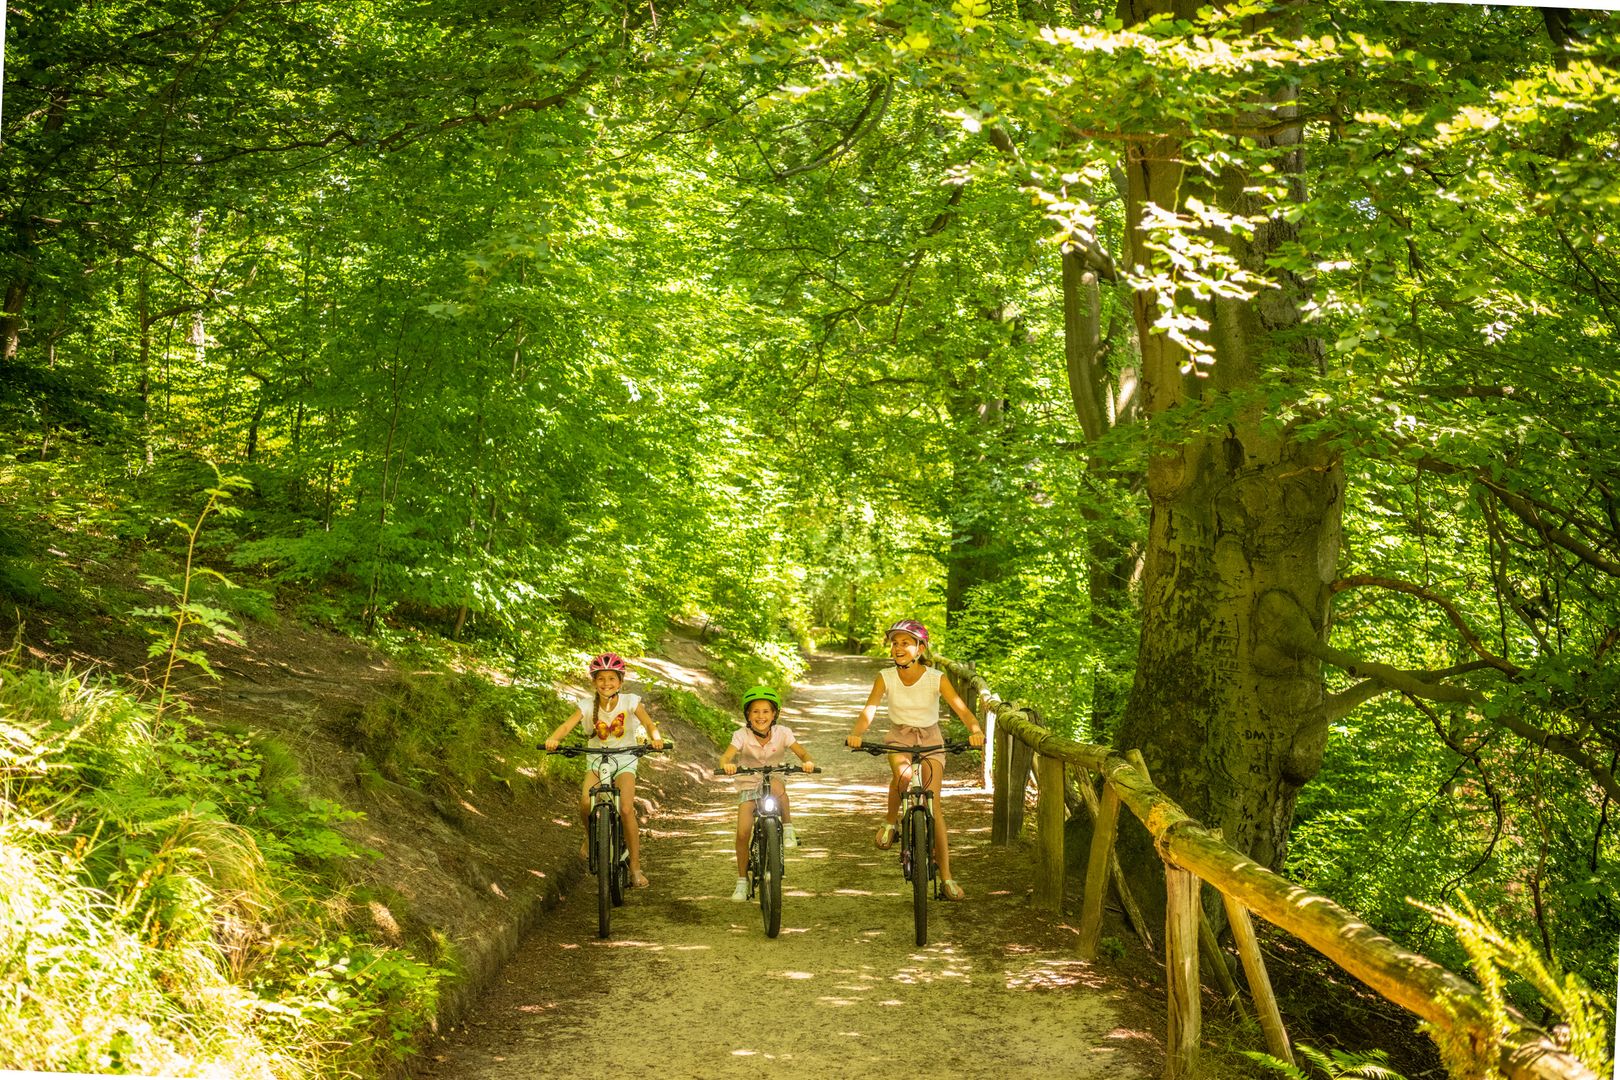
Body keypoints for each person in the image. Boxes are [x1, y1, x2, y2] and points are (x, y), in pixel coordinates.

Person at [845, 619, 985, 901]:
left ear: (920, 649)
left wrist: (975, 730)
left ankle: (946, 877)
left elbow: (961, 709)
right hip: (899, 737)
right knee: (903, 775)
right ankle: (890, 822)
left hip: (931, 739)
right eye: (895, 643)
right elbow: (869, 709)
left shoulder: (936, 678)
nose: (898, 648)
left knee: (934, 803)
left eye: (905, 643)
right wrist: (857, 734)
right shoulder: (885, 677)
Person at [545, 652, 662, 888]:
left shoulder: (631, 701)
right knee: (585, 803)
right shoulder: (587, 705)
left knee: (626, 808)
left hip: (625, 760)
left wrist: (656, 738)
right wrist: (554, 738)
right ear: (594, 682)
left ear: (620, 681)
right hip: (597, 761)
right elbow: (567, 725)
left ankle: (635, 868)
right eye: (601, 678)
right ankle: (591, 837)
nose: (606, 683)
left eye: (611, 678)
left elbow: (649, 723)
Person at [718, 685, 815, 902]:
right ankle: (742, 881)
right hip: (749, 784)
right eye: (755, 711)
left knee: (778, 788)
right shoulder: (741, 735)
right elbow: (726, 757)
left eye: (766, 711)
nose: (760, 716)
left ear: (774, 714)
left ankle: (788, 828)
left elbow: (802, 753)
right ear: (747, 715)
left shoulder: (783, 733)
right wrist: (727, 765)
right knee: (743, 832)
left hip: (773, 779)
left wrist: (807, 762)